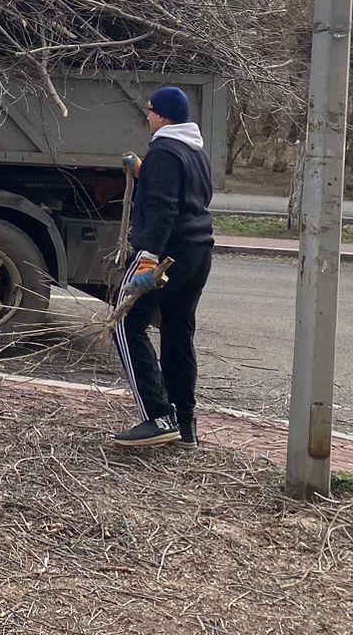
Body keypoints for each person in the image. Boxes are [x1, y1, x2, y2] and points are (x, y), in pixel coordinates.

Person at [110, 86, 215, 449]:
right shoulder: (193, 151)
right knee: (177, 331)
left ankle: (157, 416)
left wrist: (149, 257)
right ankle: (185, 423)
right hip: (199, 252)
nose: (147, 116)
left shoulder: (165, 151)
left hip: (166, 254)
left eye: (151, 111)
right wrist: (145, 175)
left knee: (125, 323)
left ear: (163, 117)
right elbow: (188, 198)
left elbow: (164, 209)